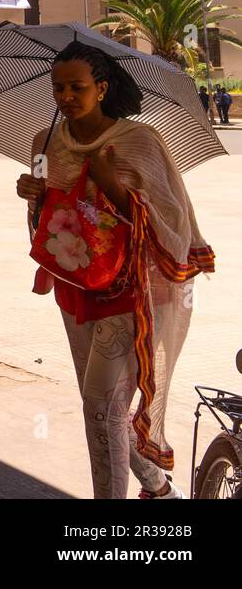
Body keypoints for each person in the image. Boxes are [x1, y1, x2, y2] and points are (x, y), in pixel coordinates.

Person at [15, 41, 214, 499]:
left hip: (132, 289)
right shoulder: (43, 141)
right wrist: (33, 192)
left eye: (77, 87)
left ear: (101, 88)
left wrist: (113, 187)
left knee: (99, 404)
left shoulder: (139, 141)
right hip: (75, 284)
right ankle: (158, 486)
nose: (65, 96)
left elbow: (173, 220)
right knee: (107, 405)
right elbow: (48, 220)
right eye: (58, 87)